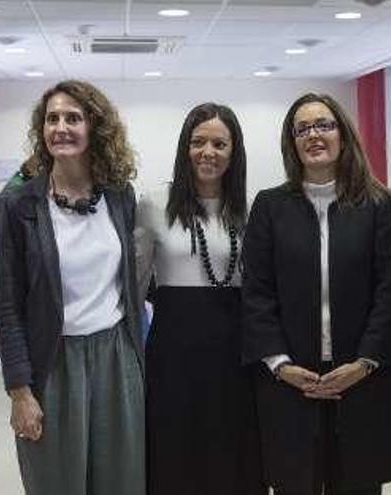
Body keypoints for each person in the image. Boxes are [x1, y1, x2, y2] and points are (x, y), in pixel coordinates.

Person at [242, 92, 391, 495]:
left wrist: (364, 363)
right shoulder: (270, 207)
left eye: (324, 125)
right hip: (291, 383)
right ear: (291, 142)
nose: (313, 135)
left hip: (362, 381)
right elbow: (257, 293)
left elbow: (390, 292)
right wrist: (280, 364)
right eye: (302, 129)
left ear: (343, 135)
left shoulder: (378, 204)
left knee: (358, 485)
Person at [0, 80, 145, 494]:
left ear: (95, 128)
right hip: (53, 363)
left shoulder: (119, 196)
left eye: (73, 118)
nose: (60, 127)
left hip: (117, 358)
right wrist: (20, 391)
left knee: (122, 481)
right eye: (52, 118)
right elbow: (7, 306)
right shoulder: (20, 205)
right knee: (56, 482)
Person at [135, 103, 264, 495]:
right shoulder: (153, 204)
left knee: (234, 455)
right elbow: (135, 287)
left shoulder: (252, 209)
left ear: (234, 151)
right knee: (176, 457)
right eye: (198, 142)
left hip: (236, 355)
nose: (208, 152)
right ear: (184, 148)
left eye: (219, 143)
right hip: (174, 355)